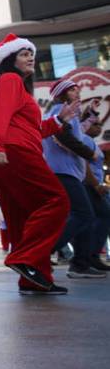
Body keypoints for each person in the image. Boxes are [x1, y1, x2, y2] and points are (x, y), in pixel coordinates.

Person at [0, 34, 78, 294]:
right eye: (23, 53)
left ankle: (32, 279)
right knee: (56, 201)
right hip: (13, 151)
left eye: (30, 53)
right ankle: (24, 258)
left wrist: (60, 120)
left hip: (6, 150)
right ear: (9, 59)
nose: (30, 57)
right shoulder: (10, 80)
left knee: (23, 217)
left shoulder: (10, 85)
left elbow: (31, 129)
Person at [43, 79, 106, 279]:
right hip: (63, 172)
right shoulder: (58, 110)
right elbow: (62, 137)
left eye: (77, 88)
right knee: (83, 215)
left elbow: (80, 132)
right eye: (72, 89)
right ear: (62, 93)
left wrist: (92, 113)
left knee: (86, 216)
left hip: (70, 173)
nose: (77, 91)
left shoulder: (67, 113)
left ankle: (81, 263)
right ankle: (43, 252)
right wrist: (90, 154)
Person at [82, 116, 110, 270]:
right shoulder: (85, 140)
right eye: (95, 124)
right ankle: (90, 256)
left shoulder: (91, 141)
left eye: (100, 124)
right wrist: (96, 185)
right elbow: (84, 163)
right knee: (104, 215)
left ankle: (89, 256)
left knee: (92, 218)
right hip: (90, 185)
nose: (99, 127)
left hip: (92, 185)